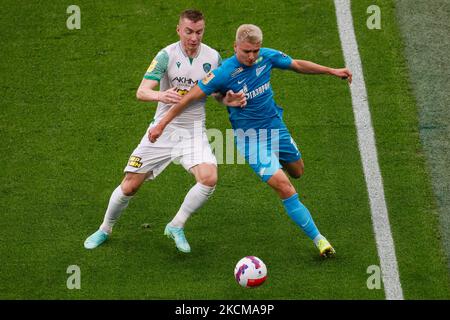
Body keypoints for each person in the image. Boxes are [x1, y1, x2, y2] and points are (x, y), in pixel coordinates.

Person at [149, 24, 352, 257]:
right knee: (285, 186)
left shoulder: (266, 57)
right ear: (235, 47)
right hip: (251, 140)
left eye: (255, 51)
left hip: (276, 129)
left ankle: (278, 163)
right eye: (246, 51)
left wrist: (331, 70)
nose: (251, 56)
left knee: (297, 171)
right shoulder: (223, 72)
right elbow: (187, 99)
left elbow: (296, 64)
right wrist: (161, 124)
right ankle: (320, 240)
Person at [83, 10, 244, 253]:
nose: (194, 37)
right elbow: (141, 91)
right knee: (130, 186)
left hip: (193, 132)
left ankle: (176, 225)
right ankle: (105, 229)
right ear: (178, 29)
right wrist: (161, 94)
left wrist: (227, 100)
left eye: (199, 32)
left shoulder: (213, 57)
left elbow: (215, 92)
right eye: (189, 31)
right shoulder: (165, 56)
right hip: (163, 129)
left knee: (209, 178)